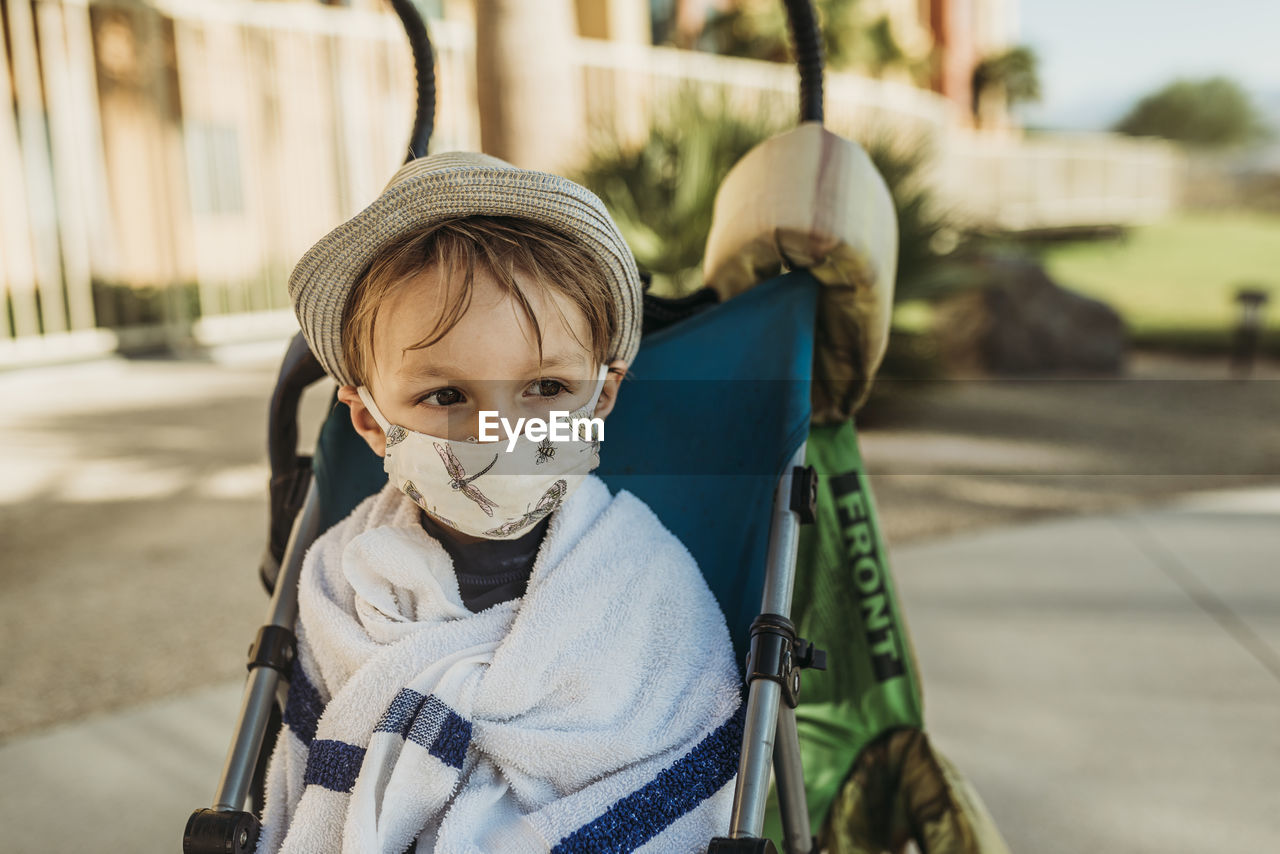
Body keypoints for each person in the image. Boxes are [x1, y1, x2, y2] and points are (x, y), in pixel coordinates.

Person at [255, 151, 744, 854]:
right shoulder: (344, 574)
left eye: (544, 388)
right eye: (446, 396)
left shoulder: (643, 580)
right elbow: (307, 777)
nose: (500, 435)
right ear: (369, 422)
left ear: (600, 397)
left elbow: (685, 755)